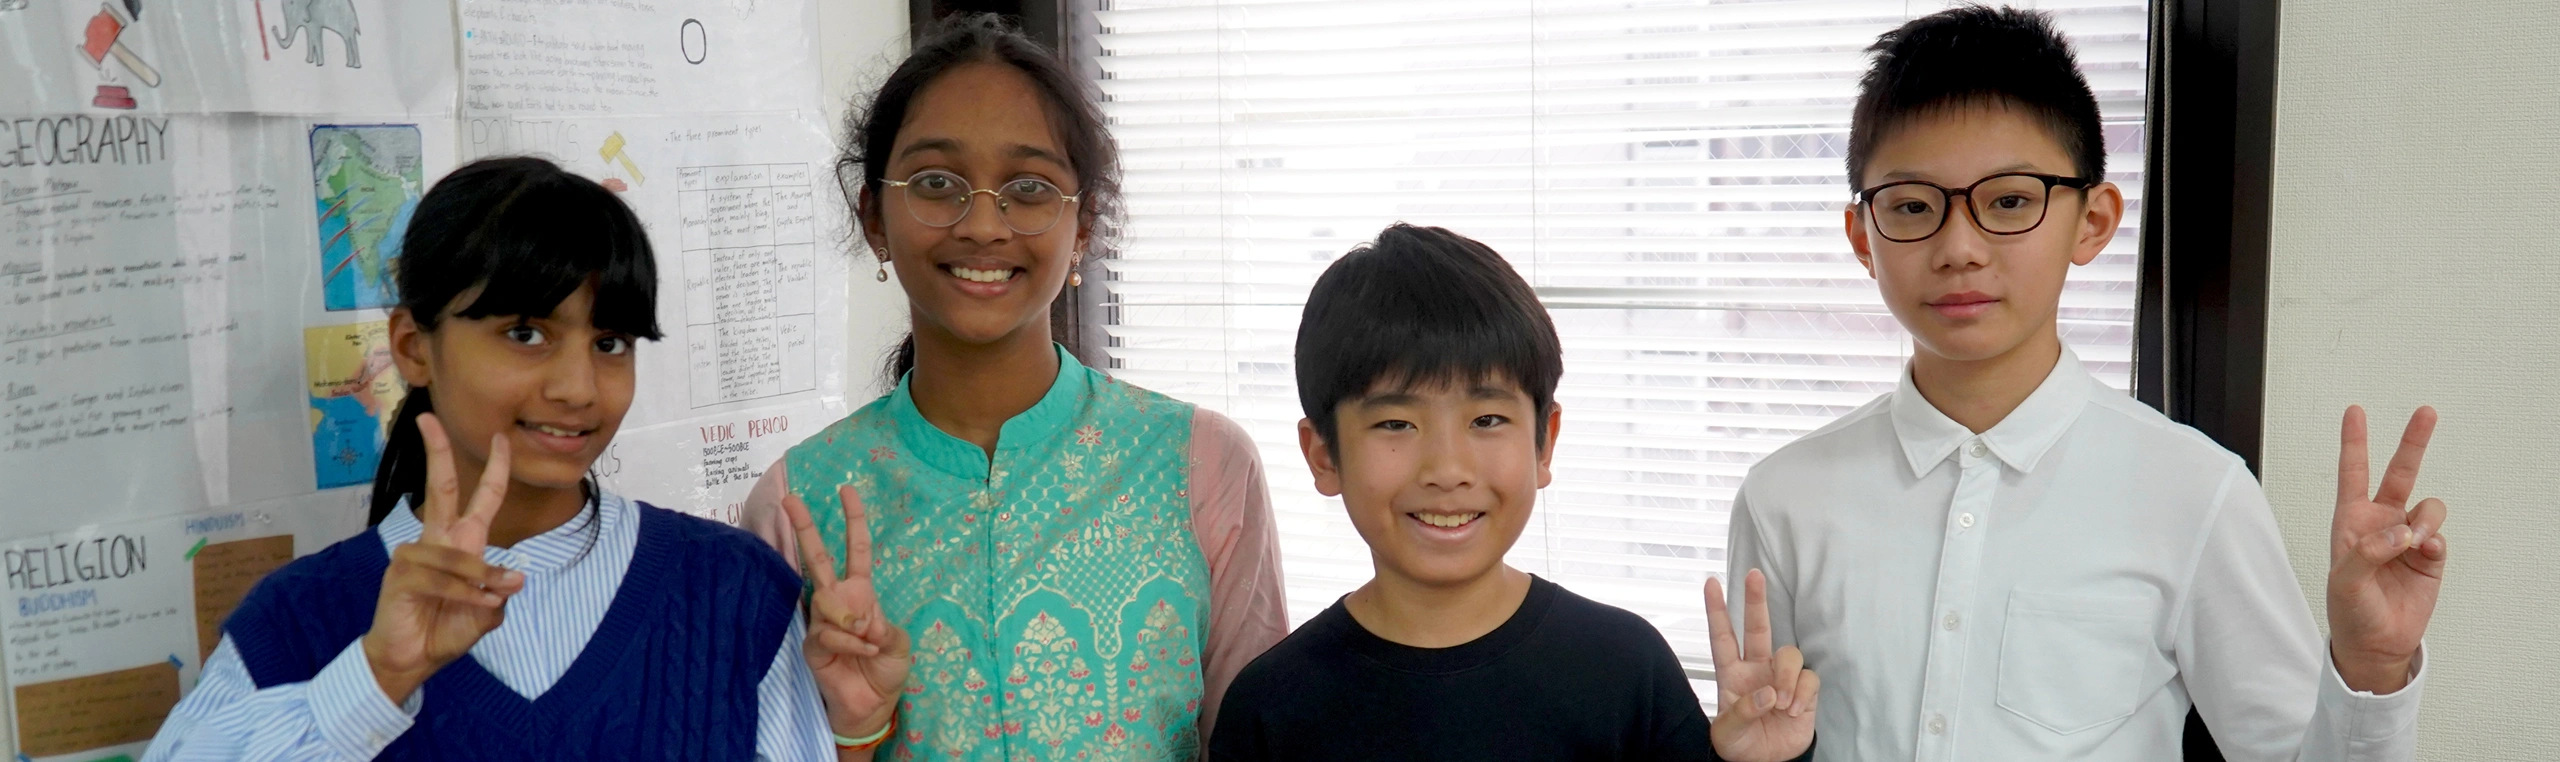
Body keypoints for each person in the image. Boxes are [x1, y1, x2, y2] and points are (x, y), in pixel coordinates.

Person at [1719, 7, 2448, 760]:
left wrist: (2372, 670)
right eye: (1912, 207)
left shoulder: (2193, 491)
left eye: (2009, 201)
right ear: (1862, 238)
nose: (1960, 248)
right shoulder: (1785, 499)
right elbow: (1770, 735)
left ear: (2093, 222)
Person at [141, 157, 861, 760]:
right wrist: (376, 676)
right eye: (525, 333)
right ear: (412, 346)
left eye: (610, 343)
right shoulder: (300, 619)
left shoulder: (731, 591)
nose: (577, 388)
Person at [735, 14, 1288, 760]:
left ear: (1083, 224)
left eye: (1028, 189)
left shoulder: (1201, 466)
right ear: (874, 217)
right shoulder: (797, 506)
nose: (984, 225)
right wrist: (855, 730)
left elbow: (1264, 743)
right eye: (936, 183)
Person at [1207, 223, 1816, 762]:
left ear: (1544, 442)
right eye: (1396, 423)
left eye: (1487, 421)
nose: (1447, 469)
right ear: (1323, 454)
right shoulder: (1272, 707)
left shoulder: (1622, 668)